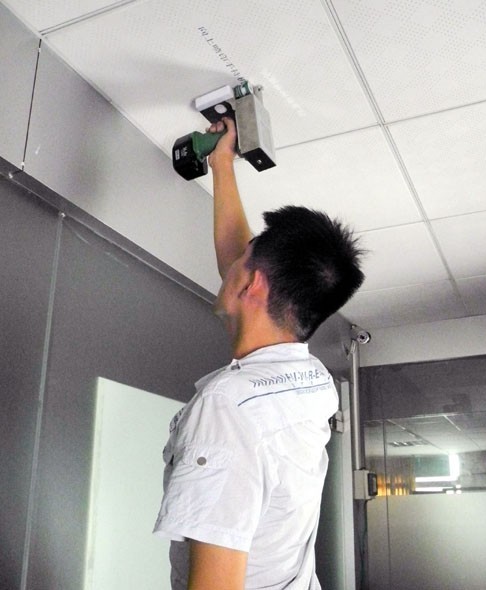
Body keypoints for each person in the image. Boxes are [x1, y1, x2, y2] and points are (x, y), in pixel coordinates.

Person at [154, 117, 365, 590]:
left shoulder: (228, 410)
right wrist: (222, 163)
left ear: (251, 284)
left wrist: (223, 161)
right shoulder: (311, 382)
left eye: (243, 260)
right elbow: (243, 272)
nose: (231, 262)